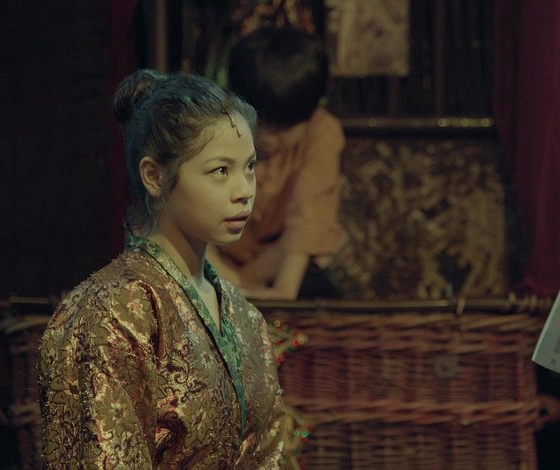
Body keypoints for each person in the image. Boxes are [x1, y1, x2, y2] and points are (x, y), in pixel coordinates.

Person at [37, 69, 285, 468]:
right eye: (221, 171)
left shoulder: (245, 318)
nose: (244, 191)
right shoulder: (115, 310)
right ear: (154, 176)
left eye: (250, 166)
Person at [207, 25, 348, 300]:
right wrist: (230, 281)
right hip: (218, 262)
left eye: (282, 128)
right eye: (257, 121)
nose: (267, 137)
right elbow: (192, 215)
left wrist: (283, 293)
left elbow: (307, 217)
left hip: (287, 260)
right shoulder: (216, 125)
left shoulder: (322, 131)